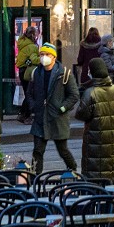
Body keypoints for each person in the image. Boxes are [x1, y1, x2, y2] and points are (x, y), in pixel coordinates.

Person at [26, 42, 78, 175]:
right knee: (37, 150)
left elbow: (74, 95)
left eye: (47, 54)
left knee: (63, 150)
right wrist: (34, 107)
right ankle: (35, 177)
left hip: (57, 118)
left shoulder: (64, 73)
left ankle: (73, 169)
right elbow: (29, 93)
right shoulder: (36, 73)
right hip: (40, 117)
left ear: (54, 57)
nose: (44, 57)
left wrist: (62, 108)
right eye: (42, 54)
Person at [75, 59, 114, 181]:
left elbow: (81, 114)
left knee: (95, 176)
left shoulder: (90, 92)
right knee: (112, 173)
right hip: (113, 140)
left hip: (94, 140)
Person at [14, 25, 39, 124]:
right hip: (28, 72)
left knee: (27, 93)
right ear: (33, 35)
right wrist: (41, 59)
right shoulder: (32, 47)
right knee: (30, 93)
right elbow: (34, 59)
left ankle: (23, 114)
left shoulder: (22, 43)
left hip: (21, 71)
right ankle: (26, 115)